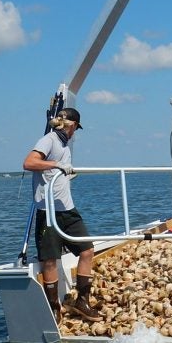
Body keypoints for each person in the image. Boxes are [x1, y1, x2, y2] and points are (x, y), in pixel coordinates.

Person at [22, 107, 102, 324]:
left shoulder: (65, 145)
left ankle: (82, 301)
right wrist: (56, 165)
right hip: (47, 210)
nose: (76, 132)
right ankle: (54, 308)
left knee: (87, 250)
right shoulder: (48, 140)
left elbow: (56, 173)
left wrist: (66, 174)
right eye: (76, 128)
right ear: (73, 125)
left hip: (67, 209)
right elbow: (29, 162)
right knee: (49, 260)